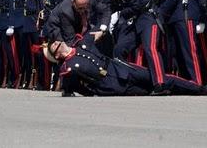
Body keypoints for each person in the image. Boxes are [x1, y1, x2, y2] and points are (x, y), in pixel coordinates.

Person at [44, 33, 207, 96]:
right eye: (56, 46)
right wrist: (94, 92)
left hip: (119, 68)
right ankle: (180, 92)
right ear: (57, 54)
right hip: (110, 85)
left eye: (58, 41)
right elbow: (71, 87)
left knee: (160, 79)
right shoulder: (68, 67)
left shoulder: (82, 42)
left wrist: (103, 27)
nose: (60, 43)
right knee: (149, 92)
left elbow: (100, 32)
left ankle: (198, 89)